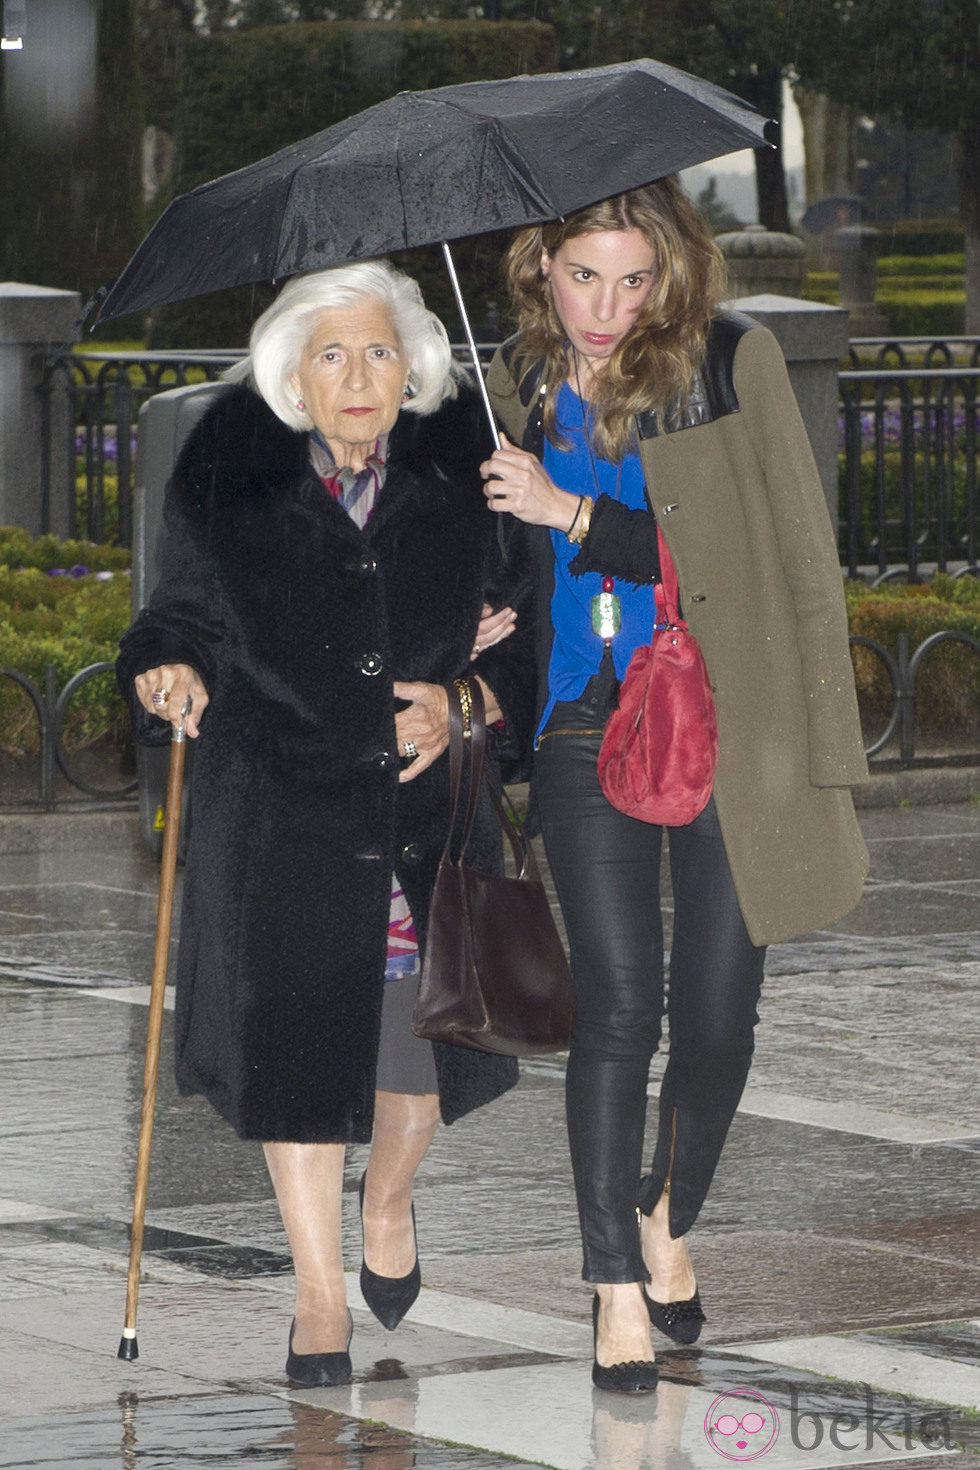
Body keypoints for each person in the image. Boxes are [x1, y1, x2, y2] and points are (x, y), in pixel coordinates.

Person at [481, 179, 869, 1393]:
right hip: (579, 722)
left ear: (668, 272)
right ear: (539, 265)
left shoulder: (729, 364)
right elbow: (479, 554)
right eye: (579, 276)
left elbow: (773, 559)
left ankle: (663, 1213)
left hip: (720, 712)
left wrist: (575, 513)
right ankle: (611, 1287)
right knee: (617, 1014)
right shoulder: (507, 388)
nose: (604, 307)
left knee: (713, 1016)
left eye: (630, 279)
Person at [117, 260, 533, 1387]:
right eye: (332, 355)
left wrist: (460, 704)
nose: (359, 376)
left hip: (420, 822)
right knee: (296, 1054)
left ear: (416, 367)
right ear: (294, 375)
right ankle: (315, 1294)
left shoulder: (471, 479)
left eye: (380, 352)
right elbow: (181, 614)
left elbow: (528, 647)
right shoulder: (229, 478)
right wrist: (166, 670)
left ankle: (386, 1197)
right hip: (281, 813)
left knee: (420, 1066)